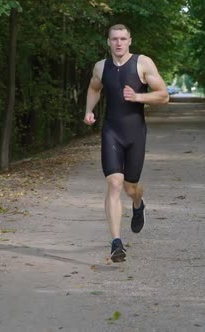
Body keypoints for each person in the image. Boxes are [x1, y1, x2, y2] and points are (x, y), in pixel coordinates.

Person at [83, 24, 168, 262]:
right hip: (111, 131)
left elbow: (164, 95)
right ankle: (116, 243)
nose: (118, 43)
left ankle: (138, 204)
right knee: (115, 183)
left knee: (131, 188)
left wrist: (138, 96)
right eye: (114, 39)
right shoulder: (101, 67)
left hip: (135, 134)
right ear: (108, 42)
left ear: (130, 40)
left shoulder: (143, 63)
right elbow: (93, 87)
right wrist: (89, 110)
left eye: (123, 38)